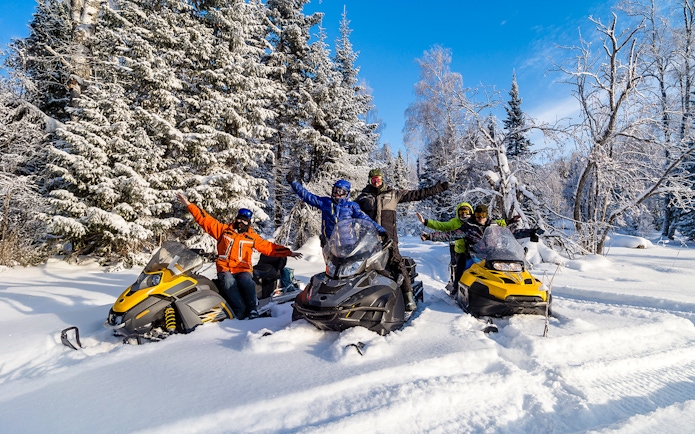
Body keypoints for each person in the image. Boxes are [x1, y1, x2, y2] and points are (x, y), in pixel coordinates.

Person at [176, 192, 302, 320]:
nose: (240, 222)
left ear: (249, 223)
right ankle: (239, 310)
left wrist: (288, 252)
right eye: (239, 219)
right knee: (228, 281)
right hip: (225, 268)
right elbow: (205, 220)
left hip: (243, 268)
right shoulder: (224, 231)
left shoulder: (251, 237)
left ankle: (253, 308)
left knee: (247, 281)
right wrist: (189, 205)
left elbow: (268, 247)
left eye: (244, 221)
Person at [355, 168, 449, 311]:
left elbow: (416, 194)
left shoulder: (393, 194)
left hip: (389, 239)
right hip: (369, 240)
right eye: (373, 180)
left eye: (378, 179)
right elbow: (347, 210)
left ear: (382, 179)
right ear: (369, 180)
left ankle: (408, 297)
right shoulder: (363, 198)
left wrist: (437, 188)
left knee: (397, 264)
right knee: (364, 266)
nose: (376, 182)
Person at [286, 174, 388, 246]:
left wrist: (381, 230)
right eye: (335, 190)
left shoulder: (352, 206)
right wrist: (294, 183)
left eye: (340, 191)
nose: (337, 194)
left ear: (346, 193)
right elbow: (307, 196)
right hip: (329, 243)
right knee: (331, 270)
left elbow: (365, 219)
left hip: (348, 243)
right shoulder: (326, 202)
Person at [416, 202, 474, 291]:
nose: (464, 214)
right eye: (461, 212)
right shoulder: (455, 222)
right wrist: (426, 222)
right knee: (460, 269)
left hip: (475, 250)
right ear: (458, 213)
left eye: (466, 212)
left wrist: (502, 222)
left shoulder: (474, 221)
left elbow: (488, 223)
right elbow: (442, 226)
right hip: (461, 251)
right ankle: (456, 288)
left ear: (471, 212)